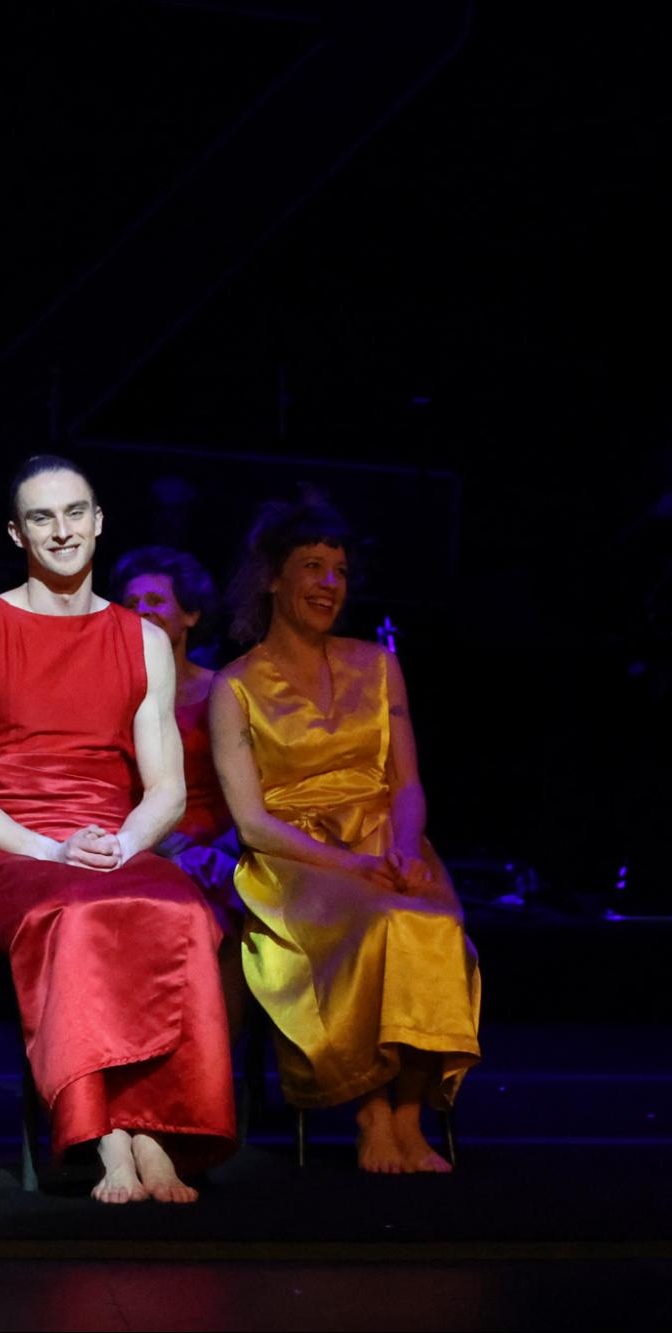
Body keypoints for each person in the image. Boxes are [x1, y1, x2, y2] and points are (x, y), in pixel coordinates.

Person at [0, 457, 237, 1204]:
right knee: (80, 909)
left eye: (73, 513)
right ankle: (105, 1137)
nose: (60, 530)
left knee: (184, 909)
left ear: (97, 520)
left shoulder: (142, 639)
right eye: (40, 517)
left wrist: (124, 844)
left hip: (110, 840)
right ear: (15, 531)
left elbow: (165, 787)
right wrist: (46, 848)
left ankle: (156, 1129)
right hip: (14, 847)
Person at [208, 493, 481, 1174]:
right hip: (292, 855)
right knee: (374, 923)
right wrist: (344, 864)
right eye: (311, 566)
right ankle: (366, 1110)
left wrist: (406, 845)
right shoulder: (234, 686)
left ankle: (408, 1111)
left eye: (337, 569)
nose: (328, 583)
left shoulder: (377, 662)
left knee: (428, 922)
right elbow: (250, 821)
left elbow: (407, 781)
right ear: (272, 577)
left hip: (383, 836)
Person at [111, 545, 246, 1030]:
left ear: (190, 614)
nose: (141, 611)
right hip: (146, 850)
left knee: (225, 917)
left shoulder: (222, 691)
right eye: (131, 602)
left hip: (219, 854)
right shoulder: (110, 694)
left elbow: (249, 790)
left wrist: (220, 854)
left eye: (155, 600)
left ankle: (216, 1082)